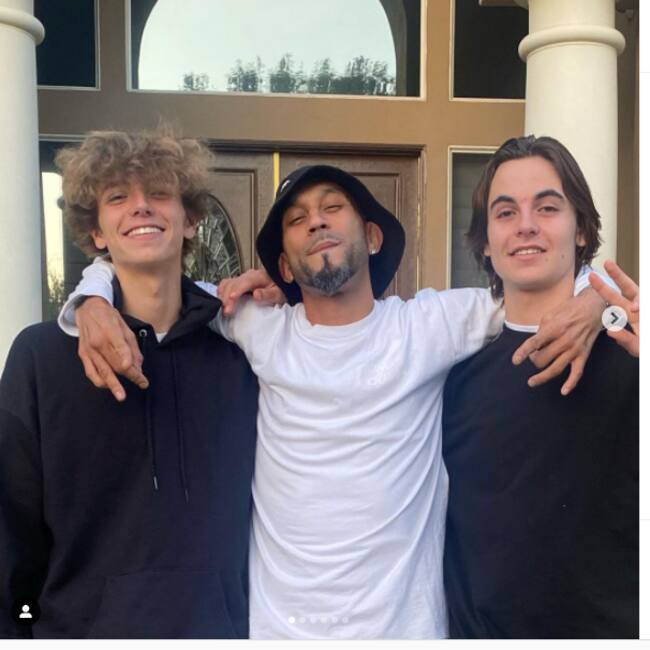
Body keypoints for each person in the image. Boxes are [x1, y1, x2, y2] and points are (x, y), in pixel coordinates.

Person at [60, 164, 610, 639]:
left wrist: (596, 302)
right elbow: (151, 281)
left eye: (332, 208)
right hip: (281, 633)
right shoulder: (255, 326)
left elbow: (539, 283)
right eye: (297, 219)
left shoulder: (431, 325)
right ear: (283, 266)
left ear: (372, 236)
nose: (316, 222)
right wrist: (92, 297)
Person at [0, 129, 258, 638]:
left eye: (159, 193)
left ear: (191, 220)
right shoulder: (41, 358)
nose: (141, 206)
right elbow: (10, 531)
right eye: (118, 197)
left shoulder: (244, 353)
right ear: (96, 232)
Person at [442, 135, 639, 638]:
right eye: (505, 212)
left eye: (547, 207)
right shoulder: (451, 379)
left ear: (581, 230)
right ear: (485, 242)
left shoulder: (632, 358)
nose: (526, 225)